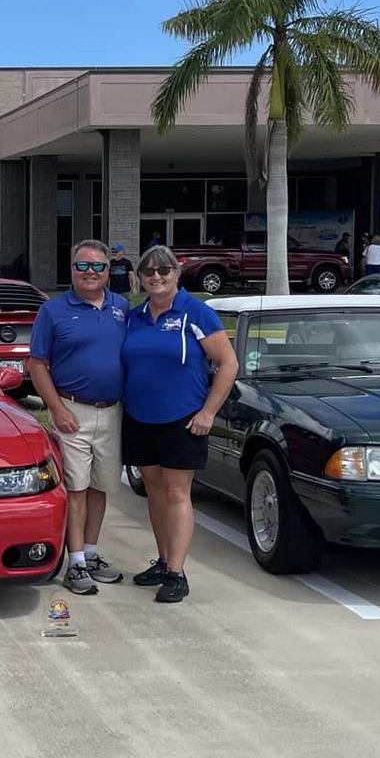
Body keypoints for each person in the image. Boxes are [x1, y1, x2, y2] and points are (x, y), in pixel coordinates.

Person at [121, 244, 238, 604]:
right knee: (154, 490)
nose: (156, 277)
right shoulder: (135, 316)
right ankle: (163, 561)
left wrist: (208, 413)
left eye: (164, 270)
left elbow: (228, 363)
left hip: (183, 419)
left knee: (176, 493)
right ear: (140, 278)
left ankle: (177, 572)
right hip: (140, 417)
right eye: (149, 271)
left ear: (177, 273)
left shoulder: (196, 312)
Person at [27, 239, 129, 595]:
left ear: (108, 270)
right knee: (76, 489)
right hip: (72, 413)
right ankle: (75, 563)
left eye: (98, 266)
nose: (90, 272)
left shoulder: (121, 307)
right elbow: (37, 365)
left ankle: (92, 553)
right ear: (71, 269)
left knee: (100, 487)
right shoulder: (52, 311)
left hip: (112, 412)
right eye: (82, 265)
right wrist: (56, 409)